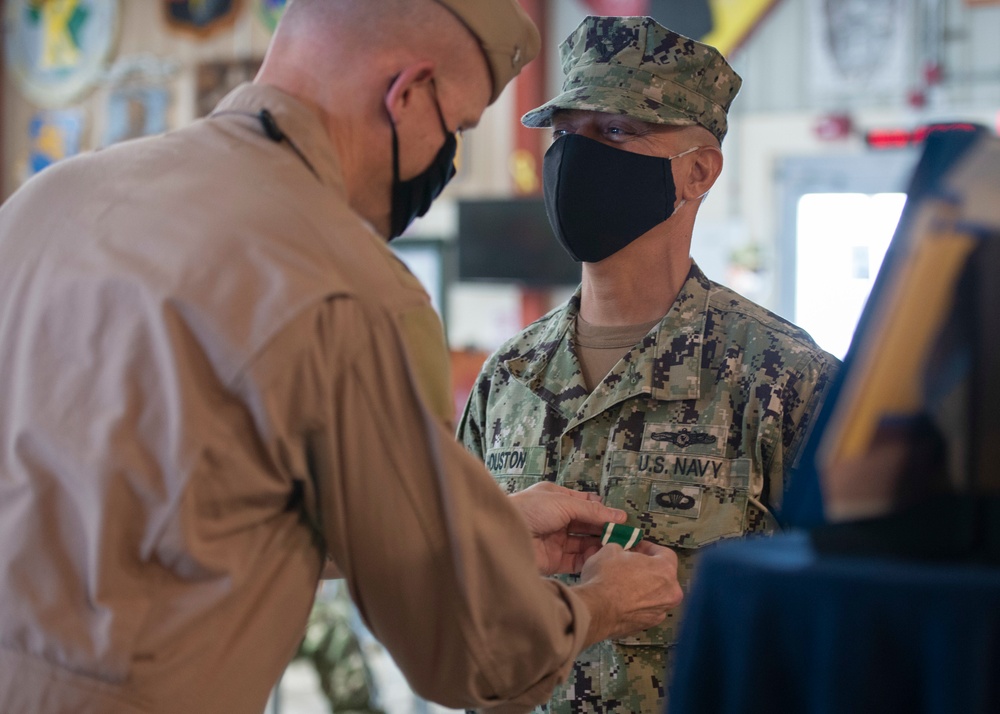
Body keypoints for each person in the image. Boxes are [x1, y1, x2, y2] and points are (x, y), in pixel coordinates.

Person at [0, 3, 686, 713]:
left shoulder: (47, 204)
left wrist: (486, 527)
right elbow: (475, 653)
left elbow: (185, 511)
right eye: (454, 129)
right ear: (408, 93)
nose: (443, 159)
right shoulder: (345, 287)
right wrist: (602, 605)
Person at [457, 15, 841, 714]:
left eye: (613, 132)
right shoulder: (507, 379)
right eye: (565, 133)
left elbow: (844, 628)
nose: (575, 158)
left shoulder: (785, 381)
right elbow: (457, 602)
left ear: (698, 171)